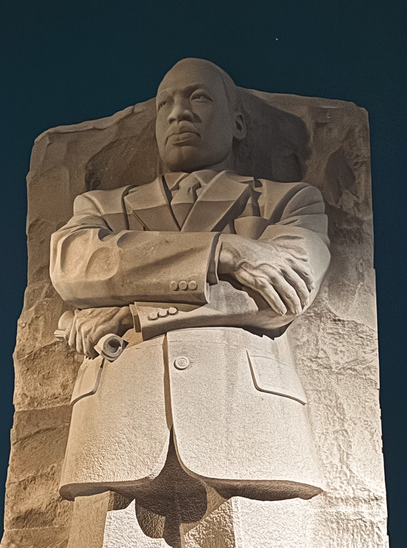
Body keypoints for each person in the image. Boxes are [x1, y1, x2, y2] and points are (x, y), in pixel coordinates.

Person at [50, 58, 331, 506]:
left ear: (238, 124)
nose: (179, 113)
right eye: (166, 104)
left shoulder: (290, 199)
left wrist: (131, 311)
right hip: (115, 423)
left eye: (198, 98)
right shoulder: (101, 207)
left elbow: (280, 294)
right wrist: (226, 251)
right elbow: (76, 266)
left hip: (250, 422)